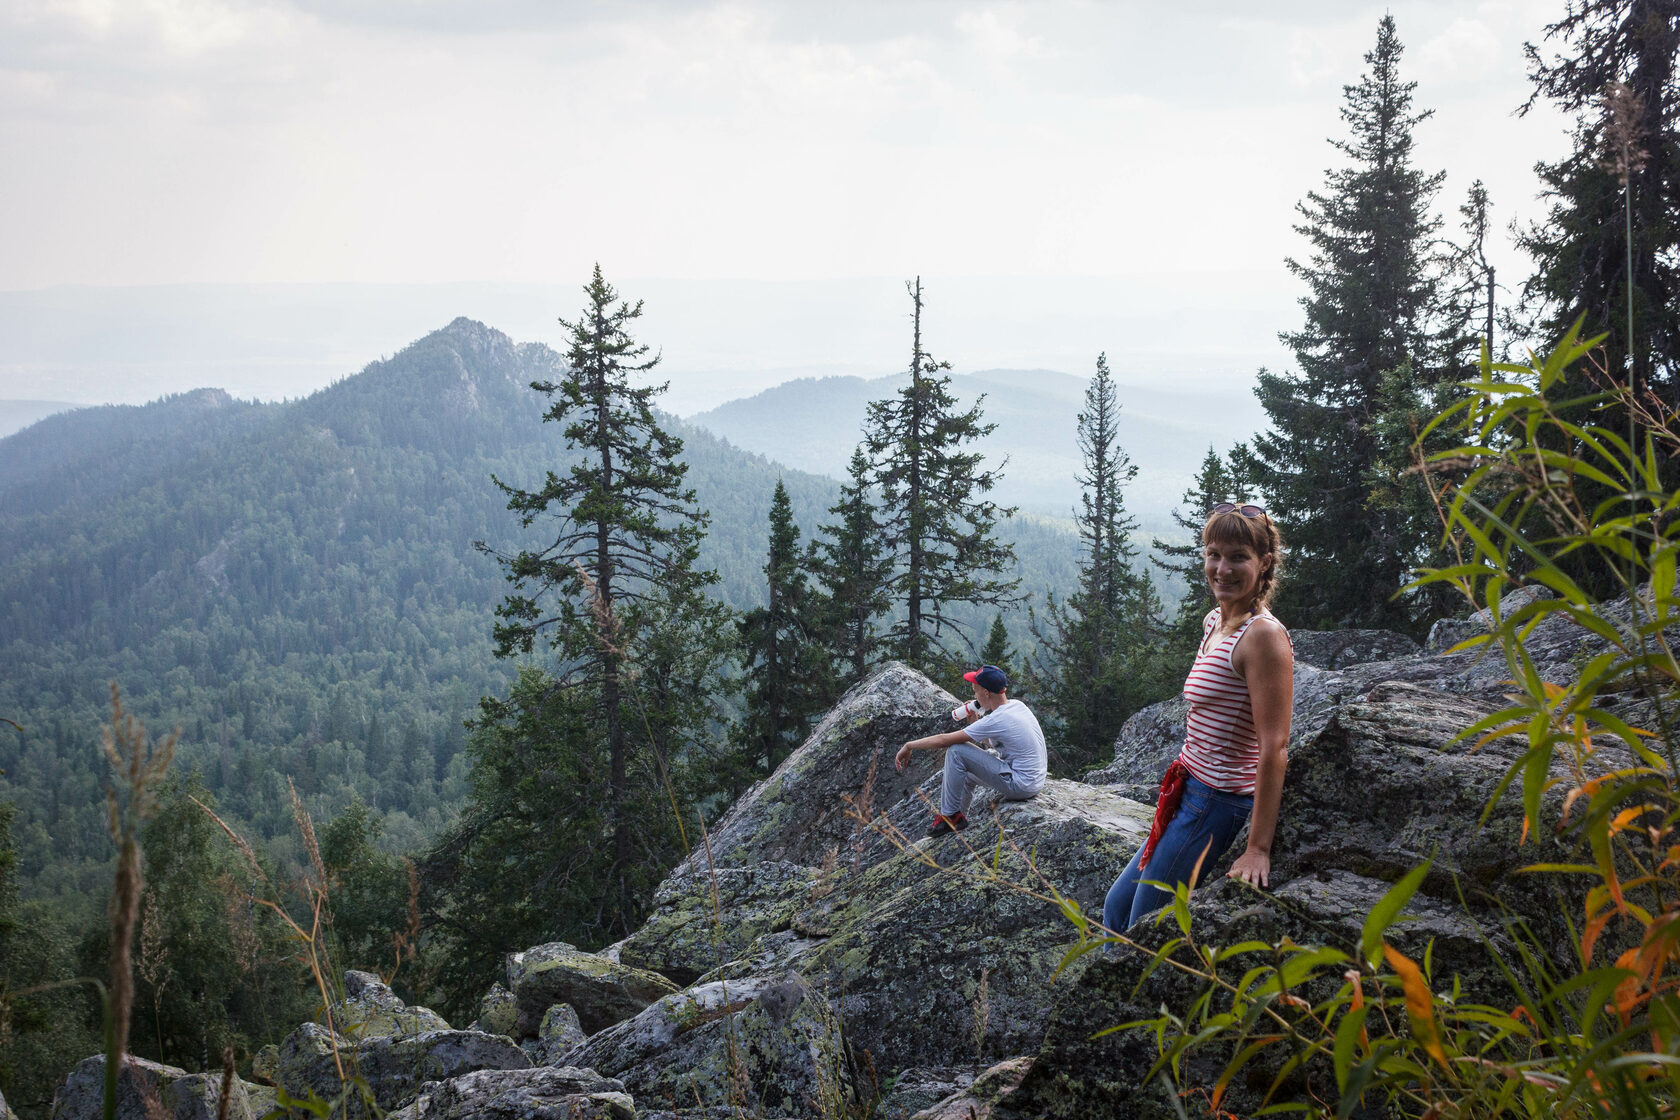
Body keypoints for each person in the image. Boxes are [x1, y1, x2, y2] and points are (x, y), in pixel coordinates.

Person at [1102, 501, 1292, 933]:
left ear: (1264, 563)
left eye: (1238, 557)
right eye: (1214, 554)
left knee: (1143, 927)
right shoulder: (1215, 621)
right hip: (1188, 789)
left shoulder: (1263, 637)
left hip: (1217, 801)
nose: (1222, 568)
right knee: (1116, 908)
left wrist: (1257, 848)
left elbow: (1275, 746)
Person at [894, 664, 1047, 837]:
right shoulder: (1017, 706)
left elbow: (944, 740)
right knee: (964, 773)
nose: (974, 696)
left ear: (986, 693)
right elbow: (996, 743)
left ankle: (950, 817)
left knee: (957, 751)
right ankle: (959, 819)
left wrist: (909, 745)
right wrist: (974, 723)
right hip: (1032, 781)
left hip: (1021, 785)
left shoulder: (997, 719)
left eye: (975, 691)